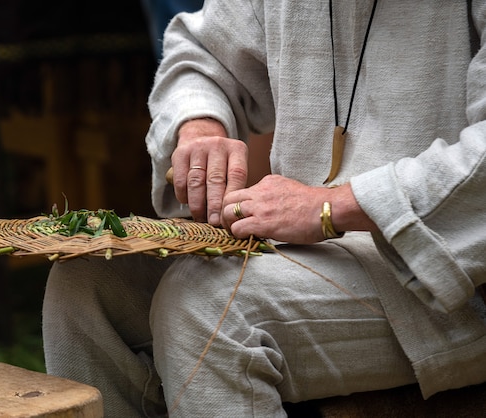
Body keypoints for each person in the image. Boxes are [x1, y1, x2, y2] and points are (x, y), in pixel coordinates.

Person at [42, 1, 486, 416]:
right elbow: (202, 52)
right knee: (86, 285)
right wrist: (199, 125)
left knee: (208, 306)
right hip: (304, 254)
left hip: (451, 275)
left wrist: (332, 205)